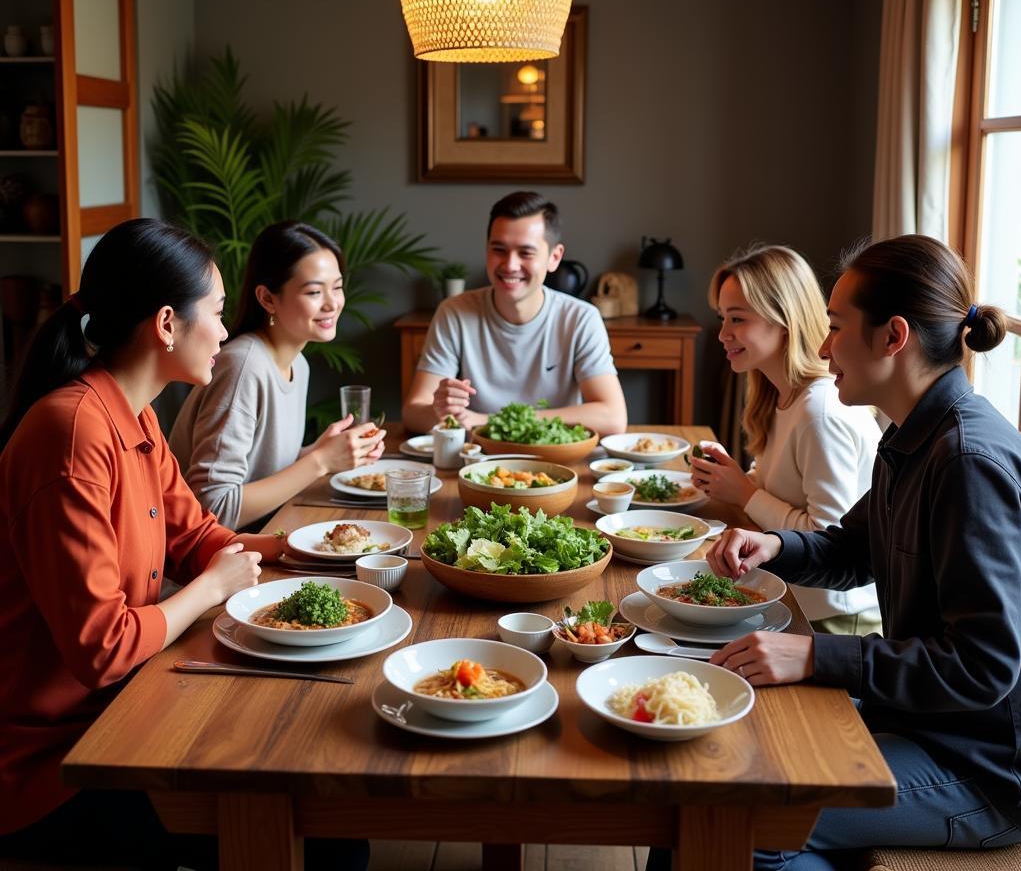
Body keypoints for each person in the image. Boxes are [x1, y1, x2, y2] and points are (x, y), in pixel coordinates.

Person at [0, 219, 367, 870]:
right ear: (168, 324)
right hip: (52, 765)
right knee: (325, 834)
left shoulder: (134, 411)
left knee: (332, 811)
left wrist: (304, 550)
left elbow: (194, 534)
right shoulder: (72, 432)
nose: (226, 333)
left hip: (123, 711)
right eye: (220, 313)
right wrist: (212, 587)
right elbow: (103, 648)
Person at [696, 235, 1021, 868]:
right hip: (915, 720)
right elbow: (851, 550)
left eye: (835, 328)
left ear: (892, 337)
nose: (820, 348)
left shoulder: (967, 461)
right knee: (710, 775)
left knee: (752, 819)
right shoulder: (911, 436)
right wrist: (775, 544)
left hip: (982, 771)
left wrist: (817, 653)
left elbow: (983, 667)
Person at [689, 245, 881, 634]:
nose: (723, 334)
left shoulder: (821, 411)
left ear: (783, 320)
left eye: (737, 319)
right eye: (722, 318)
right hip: (792, 593)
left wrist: (745, 493)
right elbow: (782, 486)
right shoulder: (778, 394)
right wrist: (733, 478)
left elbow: (829, 539)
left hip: (834, 619)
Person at [170, 221, 385, 530]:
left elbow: (258, 469)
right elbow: (212, 507)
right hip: (207, 563)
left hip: (264, 536)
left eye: (337, 287)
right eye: (314, 291)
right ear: (268, 298)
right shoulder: (244, 367)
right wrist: (319, 462)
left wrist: (320, 452)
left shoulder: (298, 364)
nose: (332, 303)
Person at [402, 191, 627, 435]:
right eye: (499, 249)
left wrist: (489, 421)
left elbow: (612, 417)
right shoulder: (454, 312)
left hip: (557, 463)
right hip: (476, 463)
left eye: (525, 253)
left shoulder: (580, 318)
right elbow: (413, 413)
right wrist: (438, 410)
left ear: (554, 257)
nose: (509, 265)